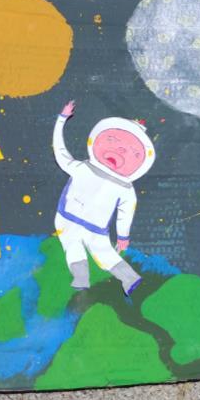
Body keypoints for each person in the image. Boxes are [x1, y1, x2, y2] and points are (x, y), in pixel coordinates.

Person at [53, 100, 156, 295]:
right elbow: (60, 152)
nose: (120, 150)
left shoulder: (125, 188)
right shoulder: (83, 168)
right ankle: (82, 277)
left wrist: (123, 235)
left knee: (103, 254)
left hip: (90, 227)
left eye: (133, 152)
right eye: (112, 140)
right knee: (74, 247)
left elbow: (126, 213)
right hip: (68, 219)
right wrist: (61, 120)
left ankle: (128, 278)